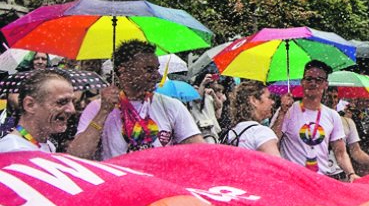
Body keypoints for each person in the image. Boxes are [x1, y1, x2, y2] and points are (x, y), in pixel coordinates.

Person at [69, 41, 203, 159]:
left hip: (158, 185)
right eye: (149, 70)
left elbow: (199, 151)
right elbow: (77, 155)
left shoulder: (171, 106)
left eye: (156, 69)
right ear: (124, 71)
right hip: (118, 185)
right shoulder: (98, 107)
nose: (157, 76)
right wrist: (103, 112)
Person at [270, 60, 358, 180]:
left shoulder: (332, 115)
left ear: (326, 84)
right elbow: (272, 143)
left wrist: (351, 173)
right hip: (292, 181)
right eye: (309, 79)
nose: (313, 83)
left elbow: (340, 153)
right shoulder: (288, 110)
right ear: (302, 82)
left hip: (319, 183)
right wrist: (282, 112)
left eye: (318, 80)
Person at [0, 70, 75, 153]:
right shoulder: (14, 150)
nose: (72, 110)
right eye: (61, 102)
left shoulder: (46, 144)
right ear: (30, 105)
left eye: (72, 101)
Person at [220, 80, 281, 156]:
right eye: (269, 97)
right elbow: (277, 165)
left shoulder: (230, 134)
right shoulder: (261, 132)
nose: (273, 102)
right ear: (254, 100)